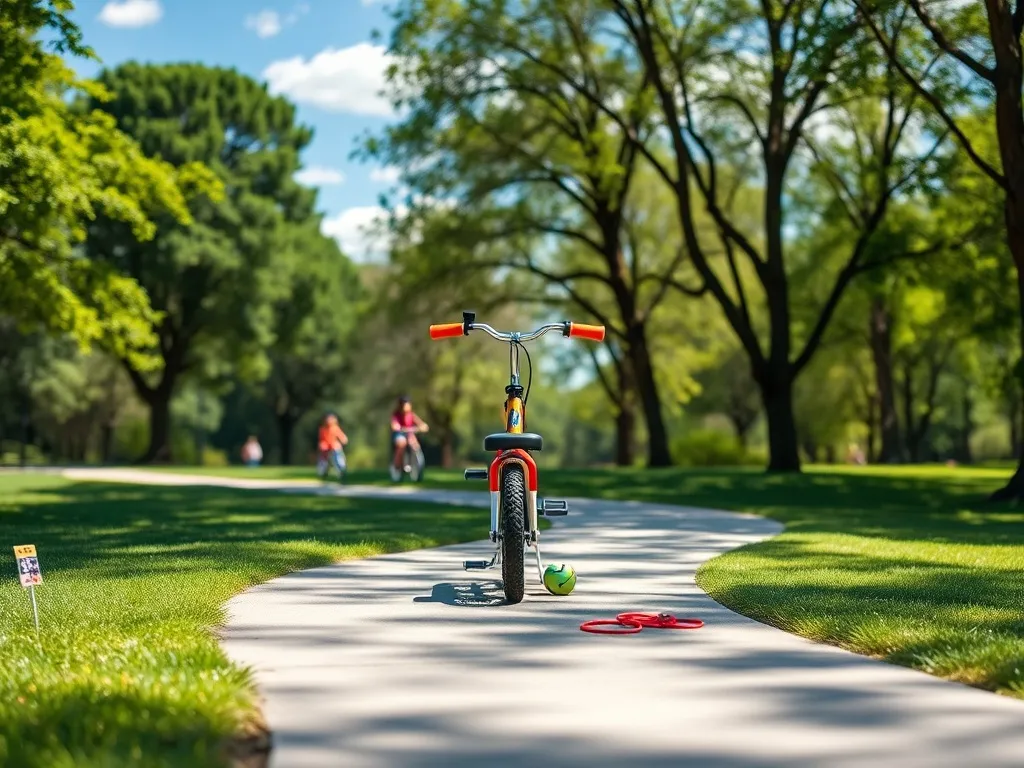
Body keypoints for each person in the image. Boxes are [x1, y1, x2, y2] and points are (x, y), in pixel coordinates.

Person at [390, 396, 428, 479]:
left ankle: (415, 465)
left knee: (414, 444)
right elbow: (394, 425)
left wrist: (422, 427)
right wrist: (398, 427)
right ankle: (397, 466)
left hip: (410, 434)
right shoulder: (396, 415)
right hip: (400, 434)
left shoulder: (411, 415)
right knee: (401, 443)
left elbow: (422, 424)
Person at [317, 414, 348, 481]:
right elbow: (321, 440)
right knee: (323, 459)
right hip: (326, 448)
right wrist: (322, 445)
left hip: (334, 447)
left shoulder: (335, 428)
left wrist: (343, 440)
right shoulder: (323, 429)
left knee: (338, 458)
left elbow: (342, 437)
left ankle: (341, 471)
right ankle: (323, 471)